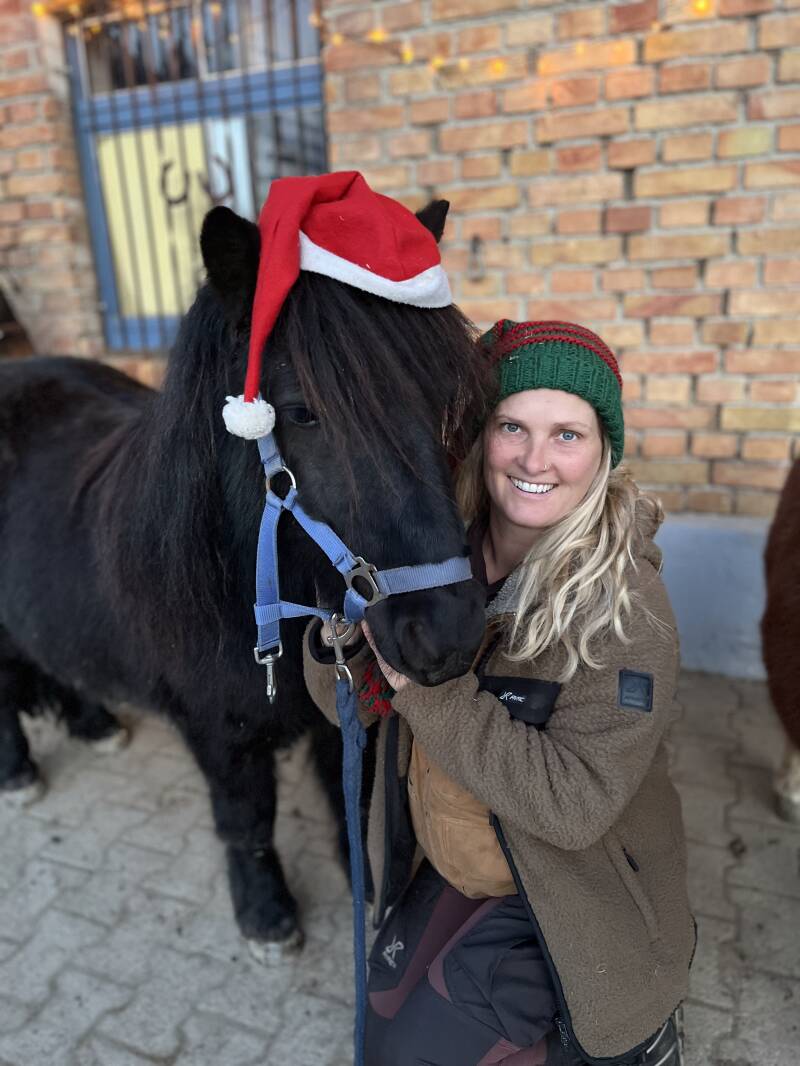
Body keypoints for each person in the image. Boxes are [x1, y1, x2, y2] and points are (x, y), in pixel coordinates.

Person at [304, 320, 694, 1065]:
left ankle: (637, 1040)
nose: (535, 459)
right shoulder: (430, 557)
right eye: (513, 425)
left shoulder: (628, 610)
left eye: (567, 434)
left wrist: (429, 691)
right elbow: (344, 711)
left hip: (561, 890)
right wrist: (340, 640)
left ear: (603, 452)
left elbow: (575, 808)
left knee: (412, 1059)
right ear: (482, 436)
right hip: (456, 861)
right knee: (376, 1029)